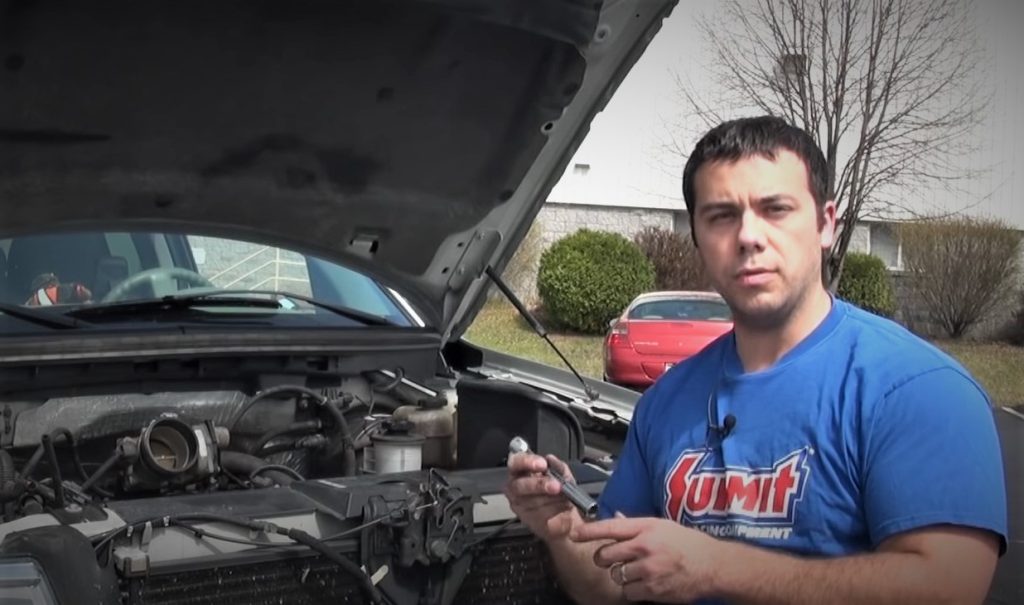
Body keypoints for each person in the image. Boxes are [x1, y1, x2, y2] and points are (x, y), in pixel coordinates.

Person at [504, 116, 1008, 605]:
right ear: (697, 237)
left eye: (776, 209)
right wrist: (565, 532)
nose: (748, 236)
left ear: (826, 224)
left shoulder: (918, 389)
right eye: (722, 216)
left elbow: (948, 587)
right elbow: (607, 586)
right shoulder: (666, 403)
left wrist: (714, 569)